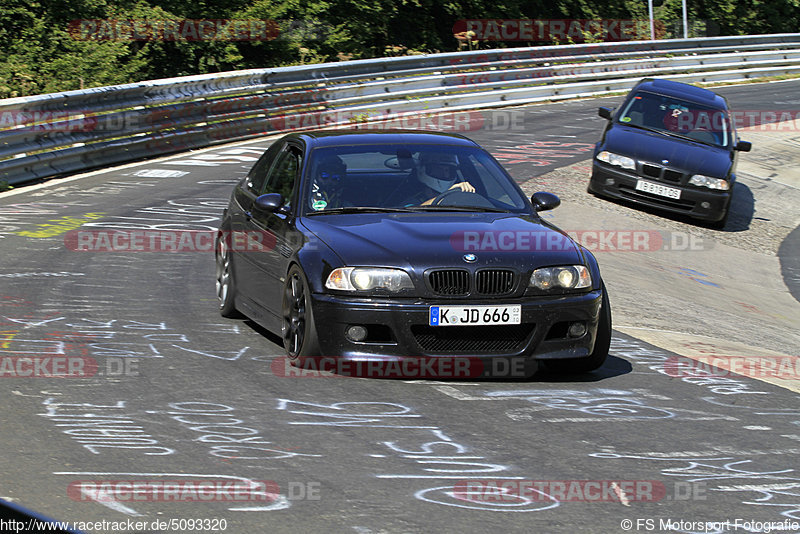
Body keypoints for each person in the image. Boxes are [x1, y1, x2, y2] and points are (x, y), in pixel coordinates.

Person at [407, 152, 475, 206]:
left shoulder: (459, 197)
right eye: (439, 170)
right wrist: (445, 196)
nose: (446, 174)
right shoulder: (413, 199)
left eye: (449, 170)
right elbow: (408, 215)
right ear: (423, 169)